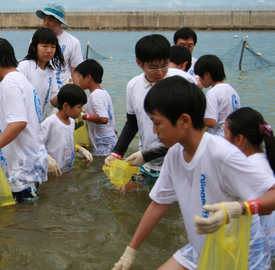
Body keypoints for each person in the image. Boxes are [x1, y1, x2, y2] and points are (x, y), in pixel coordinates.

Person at [112, 76, 275, 270]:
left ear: (184, 121)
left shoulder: (222, 154)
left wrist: (240, 208)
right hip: (201, 248)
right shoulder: (174, 154)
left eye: (157, 123)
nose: (154, 131)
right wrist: (131, 251)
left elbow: (271, 196)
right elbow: (158, 204)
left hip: (241, 255)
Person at [0, 36, 48, 202]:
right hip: (30, 162)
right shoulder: (21, 79)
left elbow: (18, 123)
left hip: (21, 169)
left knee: (21, 216)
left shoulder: (9, 83)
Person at [105, 35, 170, 184]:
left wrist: (147, 155)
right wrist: (117, 152)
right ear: (139, 63)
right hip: (146, 161)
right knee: (123, 194)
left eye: (165, 66)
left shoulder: (179, 83)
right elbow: (132, 122)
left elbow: (188, 134)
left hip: (175, 163)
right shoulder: (133, 85)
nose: (160, 72)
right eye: (153, 67)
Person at [225, 107, 275, 256]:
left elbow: (266, 208)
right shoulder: (267, 156)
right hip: (271, 238)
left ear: (239, 139)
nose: (223, 138)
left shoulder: (249, 167)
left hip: (258, 245)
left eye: (225, 133)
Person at [41, 84, 91, 177]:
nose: (81, 111)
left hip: (66, 169)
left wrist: (79, 149)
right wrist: (46, 158)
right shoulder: (50, 123)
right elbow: (36, 145)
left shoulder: (72, 122)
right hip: (51, 171)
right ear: (65, 106)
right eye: (79, 107)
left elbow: (65, 142)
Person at [18, 27, 64, 121]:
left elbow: (54, 101)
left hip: (39, 123)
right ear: (35, 47)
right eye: (44, 46)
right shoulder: (24, 67)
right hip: (22, 122)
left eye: (53, 47)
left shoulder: (50, 72)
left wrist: (68, 93)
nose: (49, 51)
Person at [75, 59, 118, 157]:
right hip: (108, 137)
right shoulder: (103, 92)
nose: (78, 80)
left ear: (88, 77)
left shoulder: (95, 95)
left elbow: (103, 118)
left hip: (103, 141)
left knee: (99, 169)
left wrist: (84, 116)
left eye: (79, 77)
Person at [35, 3, 83, 87]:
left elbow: (75, 72)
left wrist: (77, 95)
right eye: (44, 19)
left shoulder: (73, 42)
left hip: (62, 91)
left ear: (60, 21)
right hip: (41, 88)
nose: (46, 23)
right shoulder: (35, 39)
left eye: (50, 20)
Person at [194, 54, 240, 136]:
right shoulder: (233, 91)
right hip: (232, 136)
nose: (199, 80)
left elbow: (210, 122)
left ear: (207, 74)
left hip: (219, 137)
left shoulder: (212, 93)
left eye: (200, 76)